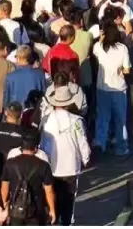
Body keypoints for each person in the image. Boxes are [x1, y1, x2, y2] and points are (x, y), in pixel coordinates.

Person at [40, 84, 91, 225]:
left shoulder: (46, 120)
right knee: (68, 201)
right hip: (70, 166)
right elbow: (82, 143)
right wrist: (86, 159)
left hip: (51, 165)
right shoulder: (76, 121)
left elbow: (42, 144)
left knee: (52, 199)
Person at [91, 21, 132, 158]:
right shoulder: (122, 48)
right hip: (119, 88)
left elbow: (97, 51)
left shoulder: (98, 47)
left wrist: (101, 38)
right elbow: (127, 70)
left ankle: (100, 145)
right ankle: (121, 148)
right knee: (120, 120)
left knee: (102, 118)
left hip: (102, 88)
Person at [0, 126, 56, 225]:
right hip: (36, 211)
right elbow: (49, 191)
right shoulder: (43, 165)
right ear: (36, 146)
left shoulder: (10, 163)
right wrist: (52, 209)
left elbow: (5, 187)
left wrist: (5, 203)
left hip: (15, 209)